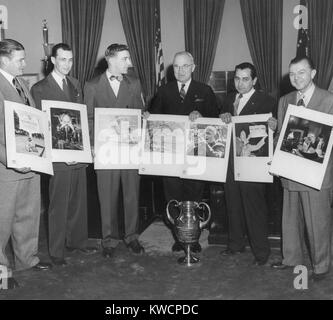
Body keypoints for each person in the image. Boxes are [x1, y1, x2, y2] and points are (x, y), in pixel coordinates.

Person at [0, 39, 52, 290]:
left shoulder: (20, 84)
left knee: (28, 216)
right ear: (4, 60)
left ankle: (27, 259)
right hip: (6, 168)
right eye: (20, 59)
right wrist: (12, 159)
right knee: (0, 222)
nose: (25, 63)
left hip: (30, 164)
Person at [270, 56, 333, 281]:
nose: (296, 78)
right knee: (290, 220)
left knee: (318, 222)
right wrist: (275, 156)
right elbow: (280, 136)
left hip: (317, 175)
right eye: (292, 74)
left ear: (313, 73)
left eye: (302, 72)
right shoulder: (285, 100)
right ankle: (291, 259)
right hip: (290, 170)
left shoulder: (329, 99)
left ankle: (321, 266)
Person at [31, 43, 97, 267]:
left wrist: (88, 147)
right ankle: (57, 250)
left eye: (70, 60)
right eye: (62, 60)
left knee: (79, 199)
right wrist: (60, 152)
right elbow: (42, 125)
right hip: (57, 155)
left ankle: (77, 240)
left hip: (78, 152)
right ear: (52, 60)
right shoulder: (40, 88)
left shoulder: (76, 84)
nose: (67, 64)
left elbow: (80, 118)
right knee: (58, 203)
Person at [149, 51, 219, 253]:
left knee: (194, 195)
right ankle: (178, 237)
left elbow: (215, 121)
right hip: (170, 155)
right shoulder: (164, 91)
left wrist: (202, 115)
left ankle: (193, 236)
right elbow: (154, 120)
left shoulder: (204, 90)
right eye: (177, 67)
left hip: (195, 155)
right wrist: (147, 116)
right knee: (173, 196)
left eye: (185, 66)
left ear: (193, 67)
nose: (180, 70)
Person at [84, 43, 145, 258]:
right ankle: (108, 240)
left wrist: (145, 120)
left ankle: (132, 236)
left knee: (132, 194)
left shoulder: (135, 84)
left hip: (130, 150)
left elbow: (140, 113)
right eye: (125, 59)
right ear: (110, 60)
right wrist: (92, 145)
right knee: (106, 196)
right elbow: (89, 118)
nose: (129, 63)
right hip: (105, 150)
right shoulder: (92, 85)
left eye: (128, 58)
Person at [219, 62, 275, 266]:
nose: (240, 83)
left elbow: (273, 128)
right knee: (232, 203)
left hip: (253, 161)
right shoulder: (227, 99)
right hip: (230, 160)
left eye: (245, 79)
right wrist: (222, 116)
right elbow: (221, 127)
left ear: (254, 80)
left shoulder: (266, 101)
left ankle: (261, 252)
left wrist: (273, 125)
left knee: (254, 206)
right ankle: (235, 244)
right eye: (236, 78)